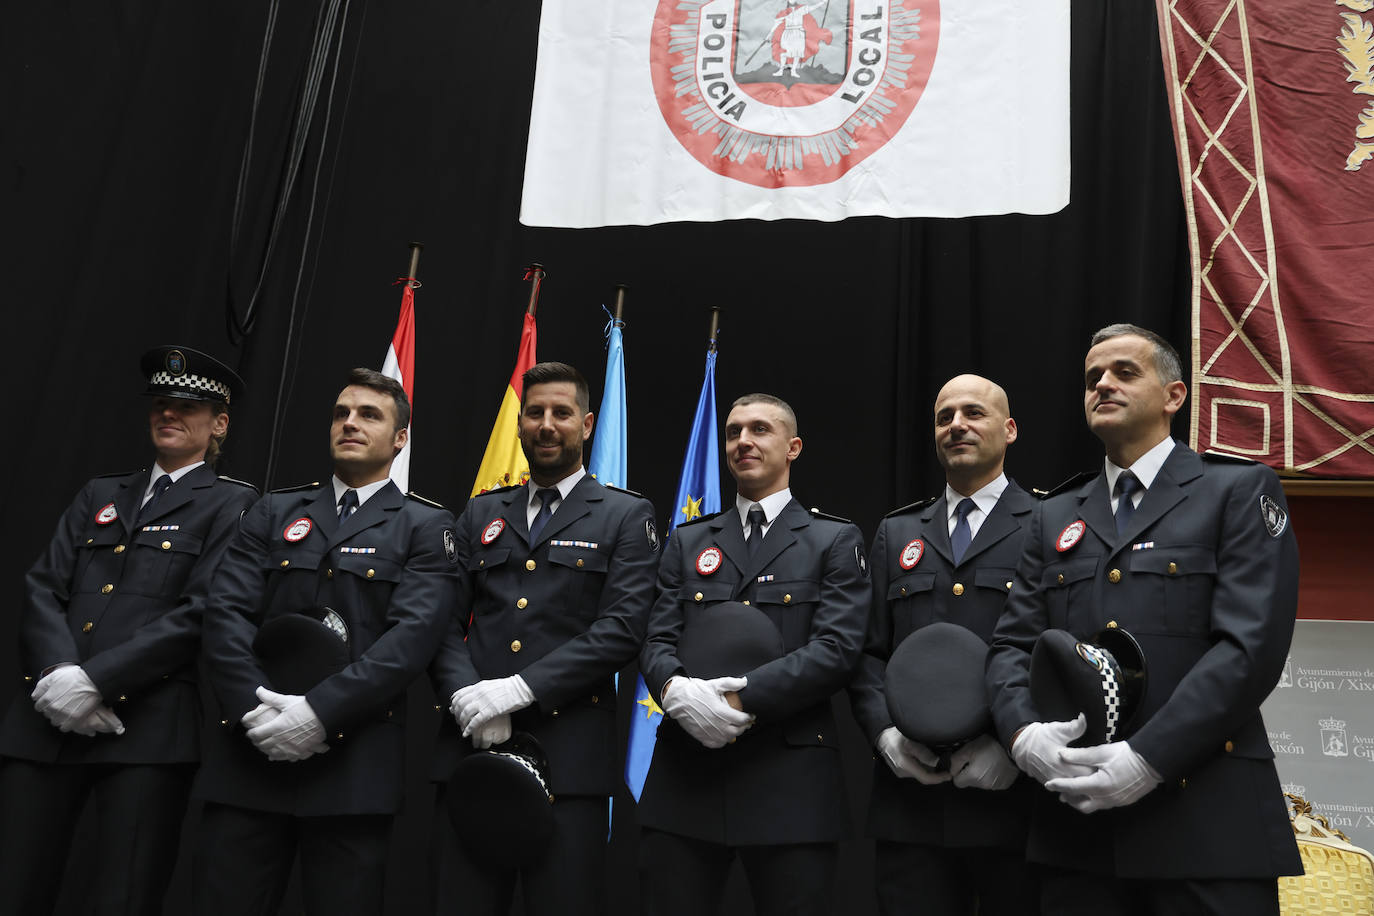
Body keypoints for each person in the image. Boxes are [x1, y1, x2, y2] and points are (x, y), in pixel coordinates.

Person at [987, 324, 1302, 914]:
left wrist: (1148, 758)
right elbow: (1010, 646)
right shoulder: (1053, 514)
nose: (1102, 384)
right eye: (1091, 380)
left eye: (1124, 372)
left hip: (1206, 819)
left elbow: (1249, 647)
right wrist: (1023, 735)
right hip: (1078, 833)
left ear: (1174, 395)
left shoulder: (1235, 490)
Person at [0, 345, 257, 916]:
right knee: (14, 887)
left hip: (145, 728)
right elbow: (43, 586)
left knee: (124, 896)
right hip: (45, 718)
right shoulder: (100, 493)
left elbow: (203, 610)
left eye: (186, 407)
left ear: (218, 424)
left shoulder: (234, 505)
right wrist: (58, 674)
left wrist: (94, 681)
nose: (169, 413)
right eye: (161, 403)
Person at [193, 367, 457, 916]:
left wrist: (318, 713)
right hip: (252, 754)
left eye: (369, 415)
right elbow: (226, 616)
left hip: (353, 767)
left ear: (400, 438)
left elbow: (410, 641)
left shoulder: (425, 526)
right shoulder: (274, 511)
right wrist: (256, 713)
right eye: (341, 413)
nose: (350, 423)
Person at [428, 361, 659, 916]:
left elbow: (623, 628)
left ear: (587, 423)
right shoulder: (482, 511)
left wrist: (518, 690)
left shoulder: (626, 516)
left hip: (568, 761)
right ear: (520, 424)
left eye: (561, 413)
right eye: (535, 413)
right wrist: (468, 699)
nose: (547, 425)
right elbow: (439, 622)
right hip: (471, 748)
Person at [637, 393, 869, 916]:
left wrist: (738, 701)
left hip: (788, 781)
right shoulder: (689, 540)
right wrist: (676, 692)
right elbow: (656, 638)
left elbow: (837, 649)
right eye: (733, 431)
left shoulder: (832, 539)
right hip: (687, 778)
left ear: (793, 447)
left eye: (760, 429)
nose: (743, 441)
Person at [849, 374, 1038, 915]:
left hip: (1014, 800)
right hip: (914, 802)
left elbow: (1060, 650)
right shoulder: (897, 531)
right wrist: (885, 735)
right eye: (944, 416)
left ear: (1010, 430)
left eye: (973, 413)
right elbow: (866, 653)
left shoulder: (1048, 523)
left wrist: (1015, 748)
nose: (956, 424)